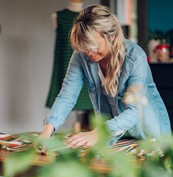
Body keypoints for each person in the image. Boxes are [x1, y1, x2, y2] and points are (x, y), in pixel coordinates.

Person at [40, 4, 171, 150]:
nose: (89, 53)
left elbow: (135, 110)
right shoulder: (81, 55)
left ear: (111, 36)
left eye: (93, 46)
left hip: (149, 134)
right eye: (85, 47)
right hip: (116, 137)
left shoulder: (136, 57)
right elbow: (67, 95)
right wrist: (48, 129)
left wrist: (97, 133)